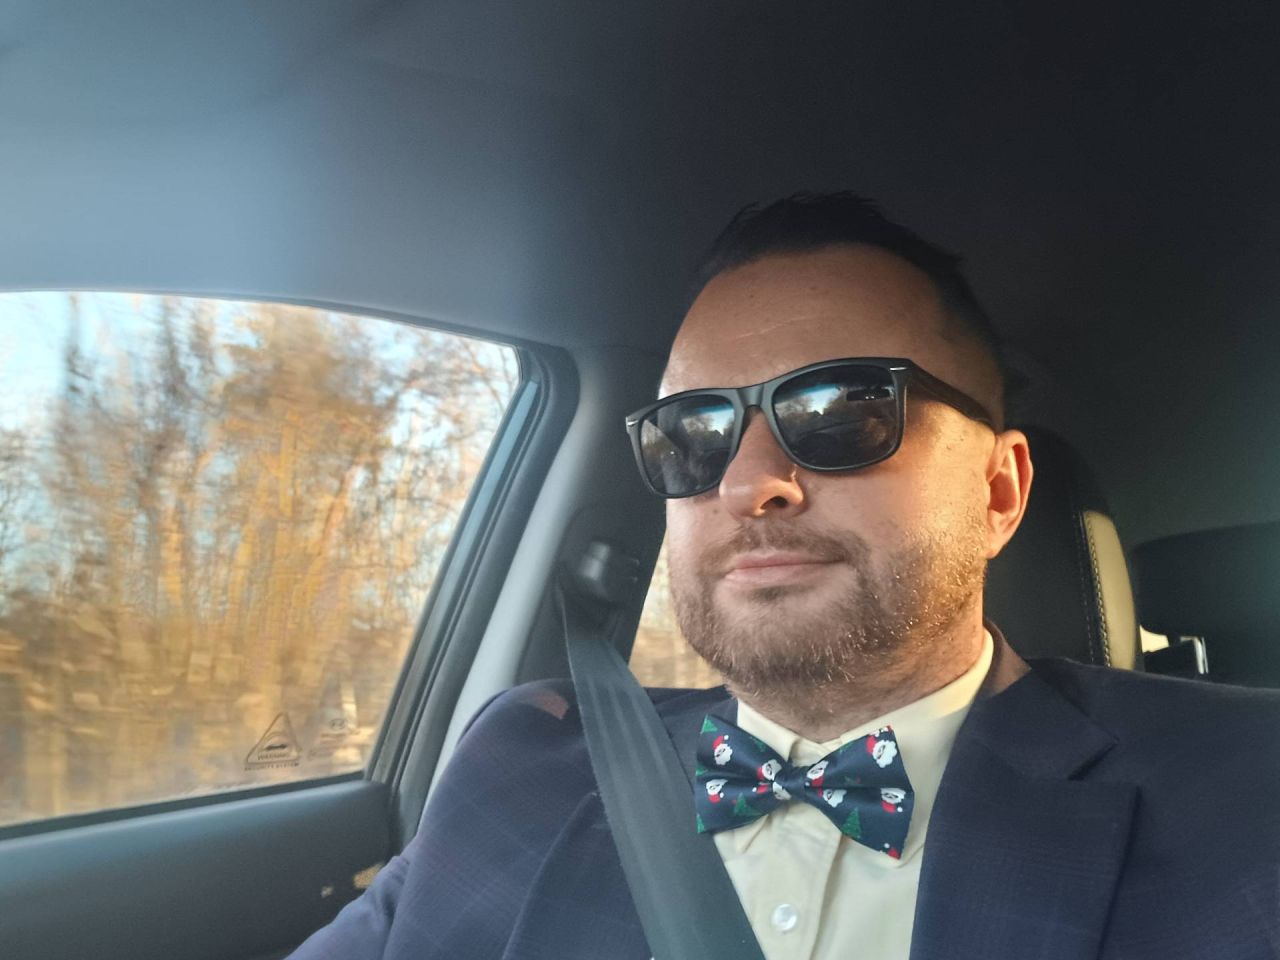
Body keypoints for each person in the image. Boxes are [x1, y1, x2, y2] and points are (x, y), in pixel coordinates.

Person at [287, 194, 1280, 960]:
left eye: (842, 411)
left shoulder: (1244, 795)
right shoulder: (524, 763)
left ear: (997, 491)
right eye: (694, 432)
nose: (747, 482)